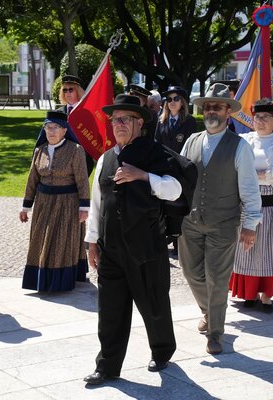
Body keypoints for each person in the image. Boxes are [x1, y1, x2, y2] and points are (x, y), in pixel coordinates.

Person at [83, 95, 182, 385]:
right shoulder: (106, 158)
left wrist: (143, 176)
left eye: (125, 119)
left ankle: (162, 351)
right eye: (115, 120)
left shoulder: (156, 153)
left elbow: (175, 190)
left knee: (153, 304)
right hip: (111, 247)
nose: (119, 124)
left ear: (140, 122)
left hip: (146, 247)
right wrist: (92, 242)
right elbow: (98, 203)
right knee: (110, 310)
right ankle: (107, 366)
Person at [179, 83, 262, 355]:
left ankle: (215, 332)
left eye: (218, 106)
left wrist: (250, 226)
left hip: (224, 223)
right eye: (208, 107)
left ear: (228, 111)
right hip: (190, 221)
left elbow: (250, 190)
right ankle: (208, 310)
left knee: (216, 277)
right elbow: (179, 178)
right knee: (191, 271)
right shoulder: (192, 140)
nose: (212, 110)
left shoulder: (240, 147)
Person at [229, 99, 273, 313]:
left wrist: (260, 175)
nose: (260, 121)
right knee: (247, 250)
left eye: (265, 117)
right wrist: (261, 177)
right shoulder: (243, 140)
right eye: (257, 117)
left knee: (272, 249)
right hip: (248, 202)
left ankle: (267, 295)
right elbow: (234, 166)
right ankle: (249, 293)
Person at [19, 111, 90, 291]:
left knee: (61, 241)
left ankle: (60, 281)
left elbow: (82, 180)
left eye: (55, 127)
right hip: (43, 203)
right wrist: (25, 207)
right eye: (47, 127)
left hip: (67, 203)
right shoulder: (39, 150)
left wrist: (84, 208)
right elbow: (32, 179)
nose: (50, 131)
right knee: (39, 239)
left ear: (64, 130)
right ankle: (39, 279)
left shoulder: (75, 150)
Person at [154, 86, 197, 255]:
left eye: (176, 99)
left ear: (183, 102)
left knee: (181, 203)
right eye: (169, 99)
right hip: (164, 166)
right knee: (164, 202)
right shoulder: (161, 120)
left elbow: (190, 145)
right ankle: (166, 237)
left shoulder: (189, 121)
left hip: (181, 167)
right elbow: (156, 142)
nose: (172, 102)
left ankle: (180, 243)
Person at [57, 74, 94, 176]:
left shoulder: (86, 113)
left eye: (71, 90)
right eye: (65, 90)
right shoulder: (58, 113)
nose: (67, 93)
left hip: (82, 160)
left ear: (78, 91)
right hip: (61, 161)